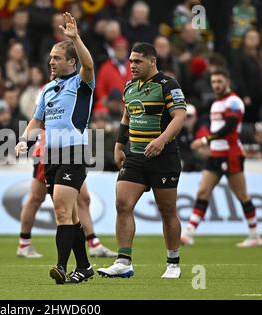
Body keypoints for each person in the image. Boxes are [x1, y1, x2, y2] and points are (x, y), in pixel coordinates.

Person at [15, 12, 95, 284]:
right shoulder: (48, 90)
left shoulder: (81, 82)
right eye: (50, 57)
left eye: (57, 57)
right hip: (51, 155)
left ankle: (61, 267)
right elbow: (37, 120)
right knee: (69, 215)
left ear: (71, 62)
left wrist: (75, 38)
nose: (51, 61)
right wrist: (24, 139)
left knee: (61, 209)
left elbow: (90, 65)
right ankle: (83, 267)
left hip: (74, 151)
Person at [97, 42, 187, 279]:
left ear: (152, 61)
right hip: (135, 156)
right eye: (130, 61)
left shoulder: (168, 85)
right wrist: (118, 145)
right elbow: (126, 117)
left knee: (167, 211)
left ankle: (173, 263)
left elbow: (180, 117)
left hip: (163, 157)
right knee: (122, 204)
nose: (132, 65)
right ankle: (124, 261)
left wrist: (162, 140)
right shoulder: (129, 87)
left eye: (137, 61)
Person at [181, 68, 262, 247]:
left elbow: (230, 126)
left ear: (227, 81)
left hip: (231, 154)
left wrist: (204, 139)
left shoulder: (234, 101)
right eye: (214, 82)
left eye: (219, 81)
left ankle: (254, 235)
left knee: (242, 195)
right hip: (215, 154)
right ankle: (189, 233)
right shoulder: (216, 103)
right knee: (203, 191)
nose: (216, 85)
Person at [17, 132, 117, 259]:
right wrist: (24, 139)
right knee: (36, 198)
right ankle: (24, 244)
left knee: (83, 198)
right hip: (49, 151)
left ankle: (93, 244)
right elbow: (39, 119)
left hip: (69, 150)